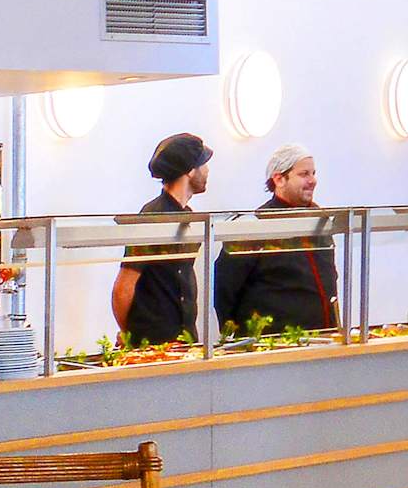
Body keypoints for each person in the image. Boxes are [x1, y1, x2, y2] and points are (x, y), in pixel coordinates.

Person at [211, 144, 339, 335]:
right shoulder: (256, 225)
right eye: (304, 174)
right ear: (279, 179)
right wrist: (238, 335)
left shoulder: (319, 222)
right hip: (275, 341)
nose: (312, 180)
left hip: (322, 337)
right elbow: (225, 287)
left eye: (313, 173)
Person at [112, 132, 210, 346]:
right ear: (190, 170)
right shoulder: (153, 217)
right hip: (154, 343)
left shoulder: (187, 215)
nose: (207, 170)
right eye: (203, 164)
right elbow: (124, 286)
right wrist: (130, 335)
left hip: (183, 342)